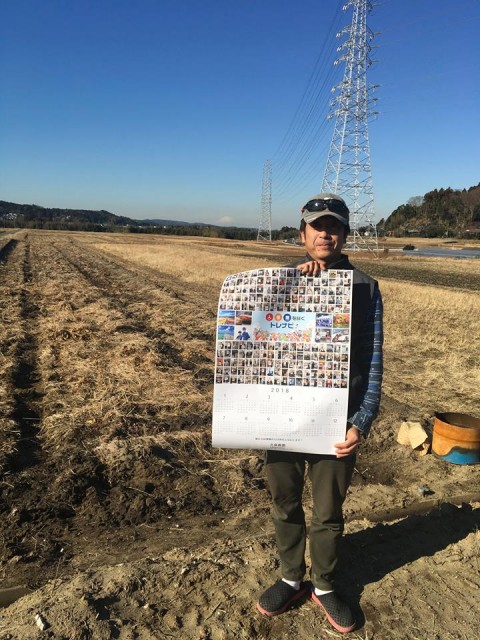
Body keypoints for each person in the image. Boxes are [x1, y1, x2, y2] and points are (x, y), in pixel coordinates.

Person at [256, 193, 383, 633]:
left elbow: (373, 360)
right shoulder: (279, 282)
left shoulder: (365, 288)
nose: (325, 233)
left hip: (336, 421)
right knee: (284, 500)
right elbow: (257, 344)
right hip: (283, 417)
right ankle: (291, 577)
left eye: (334, 226)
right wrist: (294, 284)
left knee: (328, 511)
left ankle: (324, 585)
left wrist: (361, 422)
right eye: (317, 226)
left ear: (345, 235)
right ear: (302, 234)